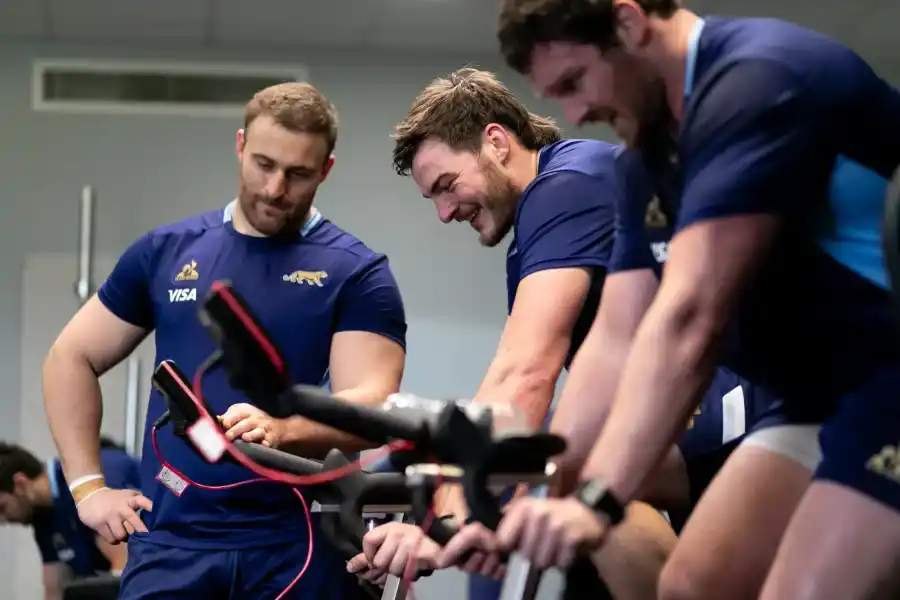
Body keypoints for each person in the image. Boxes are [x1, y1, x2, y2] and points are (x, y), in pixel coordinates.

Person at [486, 2, 900, 599]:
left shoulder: (759, 79)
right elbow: (614, 341)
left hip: (892, 375)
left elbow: (689, 321)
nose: (574, 113)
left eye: (575, 82)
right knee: (692, 585)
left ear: (628, 23)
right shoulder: (644, 164)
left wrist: (599, 499)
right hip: (821, 393)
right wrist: (532, 501)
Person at [348, 68, 778, 600]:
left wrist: (445, 522)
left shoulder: (566, 186)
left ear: (497, 143)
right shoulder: (548, 215)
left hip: (735, 401)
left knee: (527, 475)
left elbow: (525, 373)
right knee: (550, 487)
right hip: (696, 413)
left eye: (447, 185)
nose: (443, 213)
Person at [42, 82, 407, 600]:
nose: (275, 188)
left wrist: (284, 430)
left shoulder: (355, 272)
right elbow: (69, 357)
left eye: (298, 174)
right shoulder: (165, 252)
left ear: (326, 170)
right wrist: (87, 488)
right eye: (263, 164)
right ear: (240, 146)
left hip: (294, 546)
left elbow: (374, 406)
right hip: (170, 543)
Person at [0, 440, 140, 600]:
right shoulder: (43, 518)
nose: (3, 520)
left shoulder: (93, 477)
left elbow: (124, 565)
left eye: (2, 508)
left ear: (20, 483)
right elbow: (54, 590)